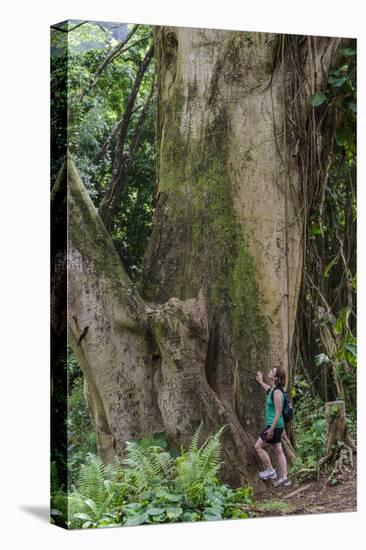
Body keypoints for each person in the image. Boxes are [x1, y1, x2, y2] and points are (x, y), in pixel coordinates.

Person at [254, 366, 291, 487]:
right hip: (277, 426)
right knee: (278, 450)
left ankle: (270, 471)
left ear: (276, 378)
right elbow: (268, 390)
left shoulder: (277, 393)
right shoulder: (274, 389)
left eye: (272, 371)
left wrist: (271, 429)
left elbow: (278, 412)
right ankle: (285, 478)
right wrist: (260, 382)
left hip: (274, 425)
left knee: (258, 446)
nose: (269, 371)